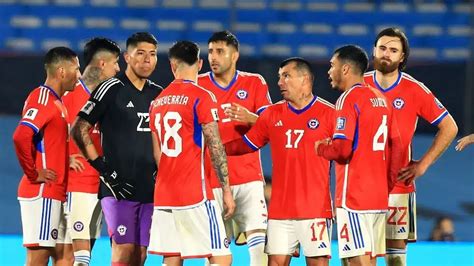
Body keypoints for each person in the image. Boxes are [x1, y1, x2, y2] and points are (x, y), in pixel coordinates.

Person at [225, 57, 335, 266]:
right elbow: (246, 144)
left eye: (286, 76)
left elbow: (344, 153)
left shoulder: (329, 114)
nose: (280, 82)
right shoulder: (271, 114)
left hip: (315, 209)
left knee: (318, 263)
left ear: (305, 79)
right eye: (279, 77)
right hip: (280, 210)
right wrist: (216, 150)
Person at [363, 27, 458, 266]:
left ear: (402, 57)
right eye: (382, 48)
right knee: (361, 254)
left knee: (396, 257)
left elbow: (450, 126)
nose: (386, 54)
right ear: (374, 50)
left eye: (393, 50)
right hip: (361, 184)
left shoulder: (414, 89)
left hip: (398, 184)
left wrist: (423, 164)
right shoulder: (357, 85)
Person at [71, 32, 162, 266]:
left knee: (140, 255)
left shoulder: (159, 94)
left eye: (152, 54)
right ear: (127, 57)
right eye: (140, 54)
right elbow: (79, 129)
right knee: (123, 252)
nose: (147, 60)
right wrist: (104, 169)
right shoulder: (110, 88)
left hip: (150, 189)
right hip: (117, 189)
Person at [147, 40, 236, 266]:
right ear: (199, 63)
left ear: (172, 65)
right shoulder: (202, 96)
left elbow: (158, 154)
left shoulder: (157, 102)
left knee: (172, 258)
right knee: (221, 258)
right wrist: (226, 190)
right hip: (195, 192)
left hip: (165, 193)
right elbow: (215, 146)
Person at [316, 45, 403, 266]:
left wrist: (322, 148)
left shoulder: (348, 99)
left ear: (345, 69)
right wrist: (387, 184)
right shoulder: (381, 99)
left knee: (357, 262)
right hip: (378, 196)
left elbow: (343, 151)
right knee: (370, 261)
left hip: (354, 196)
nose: (329, 71)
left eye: (332, 65)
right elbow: (397, 146)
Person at [198, 30, 271, 265]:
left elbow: (272, 127)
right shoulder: (198, 85)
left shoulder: (254, 82)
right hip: (211, 181)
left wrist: (251, 117)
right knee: (219, 256)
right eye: (210, 52)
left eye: (220, 51)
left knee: (260, 252)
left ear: (235, 55)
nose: (213, 57)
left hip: (249, 178)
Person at [12, 46, 81, 266]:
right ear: (61, 71)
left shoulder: (57, 102)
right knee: (38, 260)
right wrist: (33, 173)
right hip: (43, 192)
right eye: (76, 69)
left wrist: (63, 159)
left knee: (63, 256)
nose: (79, 76)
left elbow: (44, 142)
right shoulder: (43, 98)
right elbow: (21, 135)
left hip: (55, 193)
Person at [62, 37, 121, 266]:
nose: (118, 68)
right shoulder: (68, 97)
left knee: (90, 246)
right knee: (75, 256)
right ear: (102, 64)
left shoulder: (113, 97)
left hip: (106, 182)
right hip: (78, 183)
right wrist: (63, 158)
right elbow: (42, 137)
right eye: (116, 62)